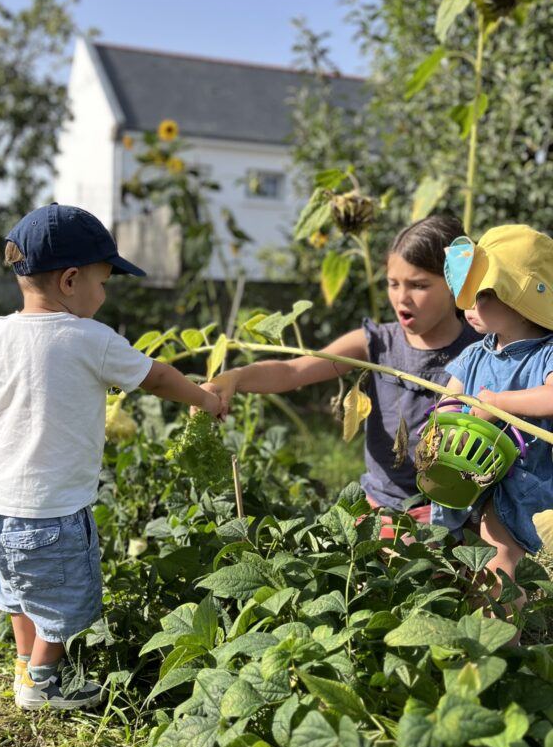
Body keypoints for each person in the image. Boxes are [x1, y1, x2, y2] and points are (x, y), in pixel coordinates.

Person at [0, 203, 222, 712]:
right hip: (54, 515)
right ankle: (41, 683)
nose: (104, 296)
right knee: (64, 604)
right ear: (69, 281)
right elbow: (158, 377)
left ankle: (24, 665)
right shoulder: (92, 339)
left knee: (20, 594)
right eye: (103, 283)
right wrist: (206, 398)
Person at [206, 215, 480, 535]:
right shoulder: (377, 343)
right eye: (393, 283)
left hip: (453, 510)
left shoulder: (482, 351)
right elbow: (293, 371)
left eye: (418, 285)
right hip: (380, 505)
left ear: (455, 283)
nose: (401, 297)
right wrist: (235, 378)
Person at [433, 224, 553, 616]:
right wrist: (447, 421)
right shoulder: (475, 355)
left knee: (499, 565)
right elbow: (448, 401)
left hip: (522, 478)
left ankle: (502, 650)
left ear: (519, 297)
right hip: (470, 471)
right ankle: (474, 631)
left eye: (482, 294)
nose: (469, 306)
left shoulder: (546, 354)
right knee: (469, 559)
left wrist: (500, 402)